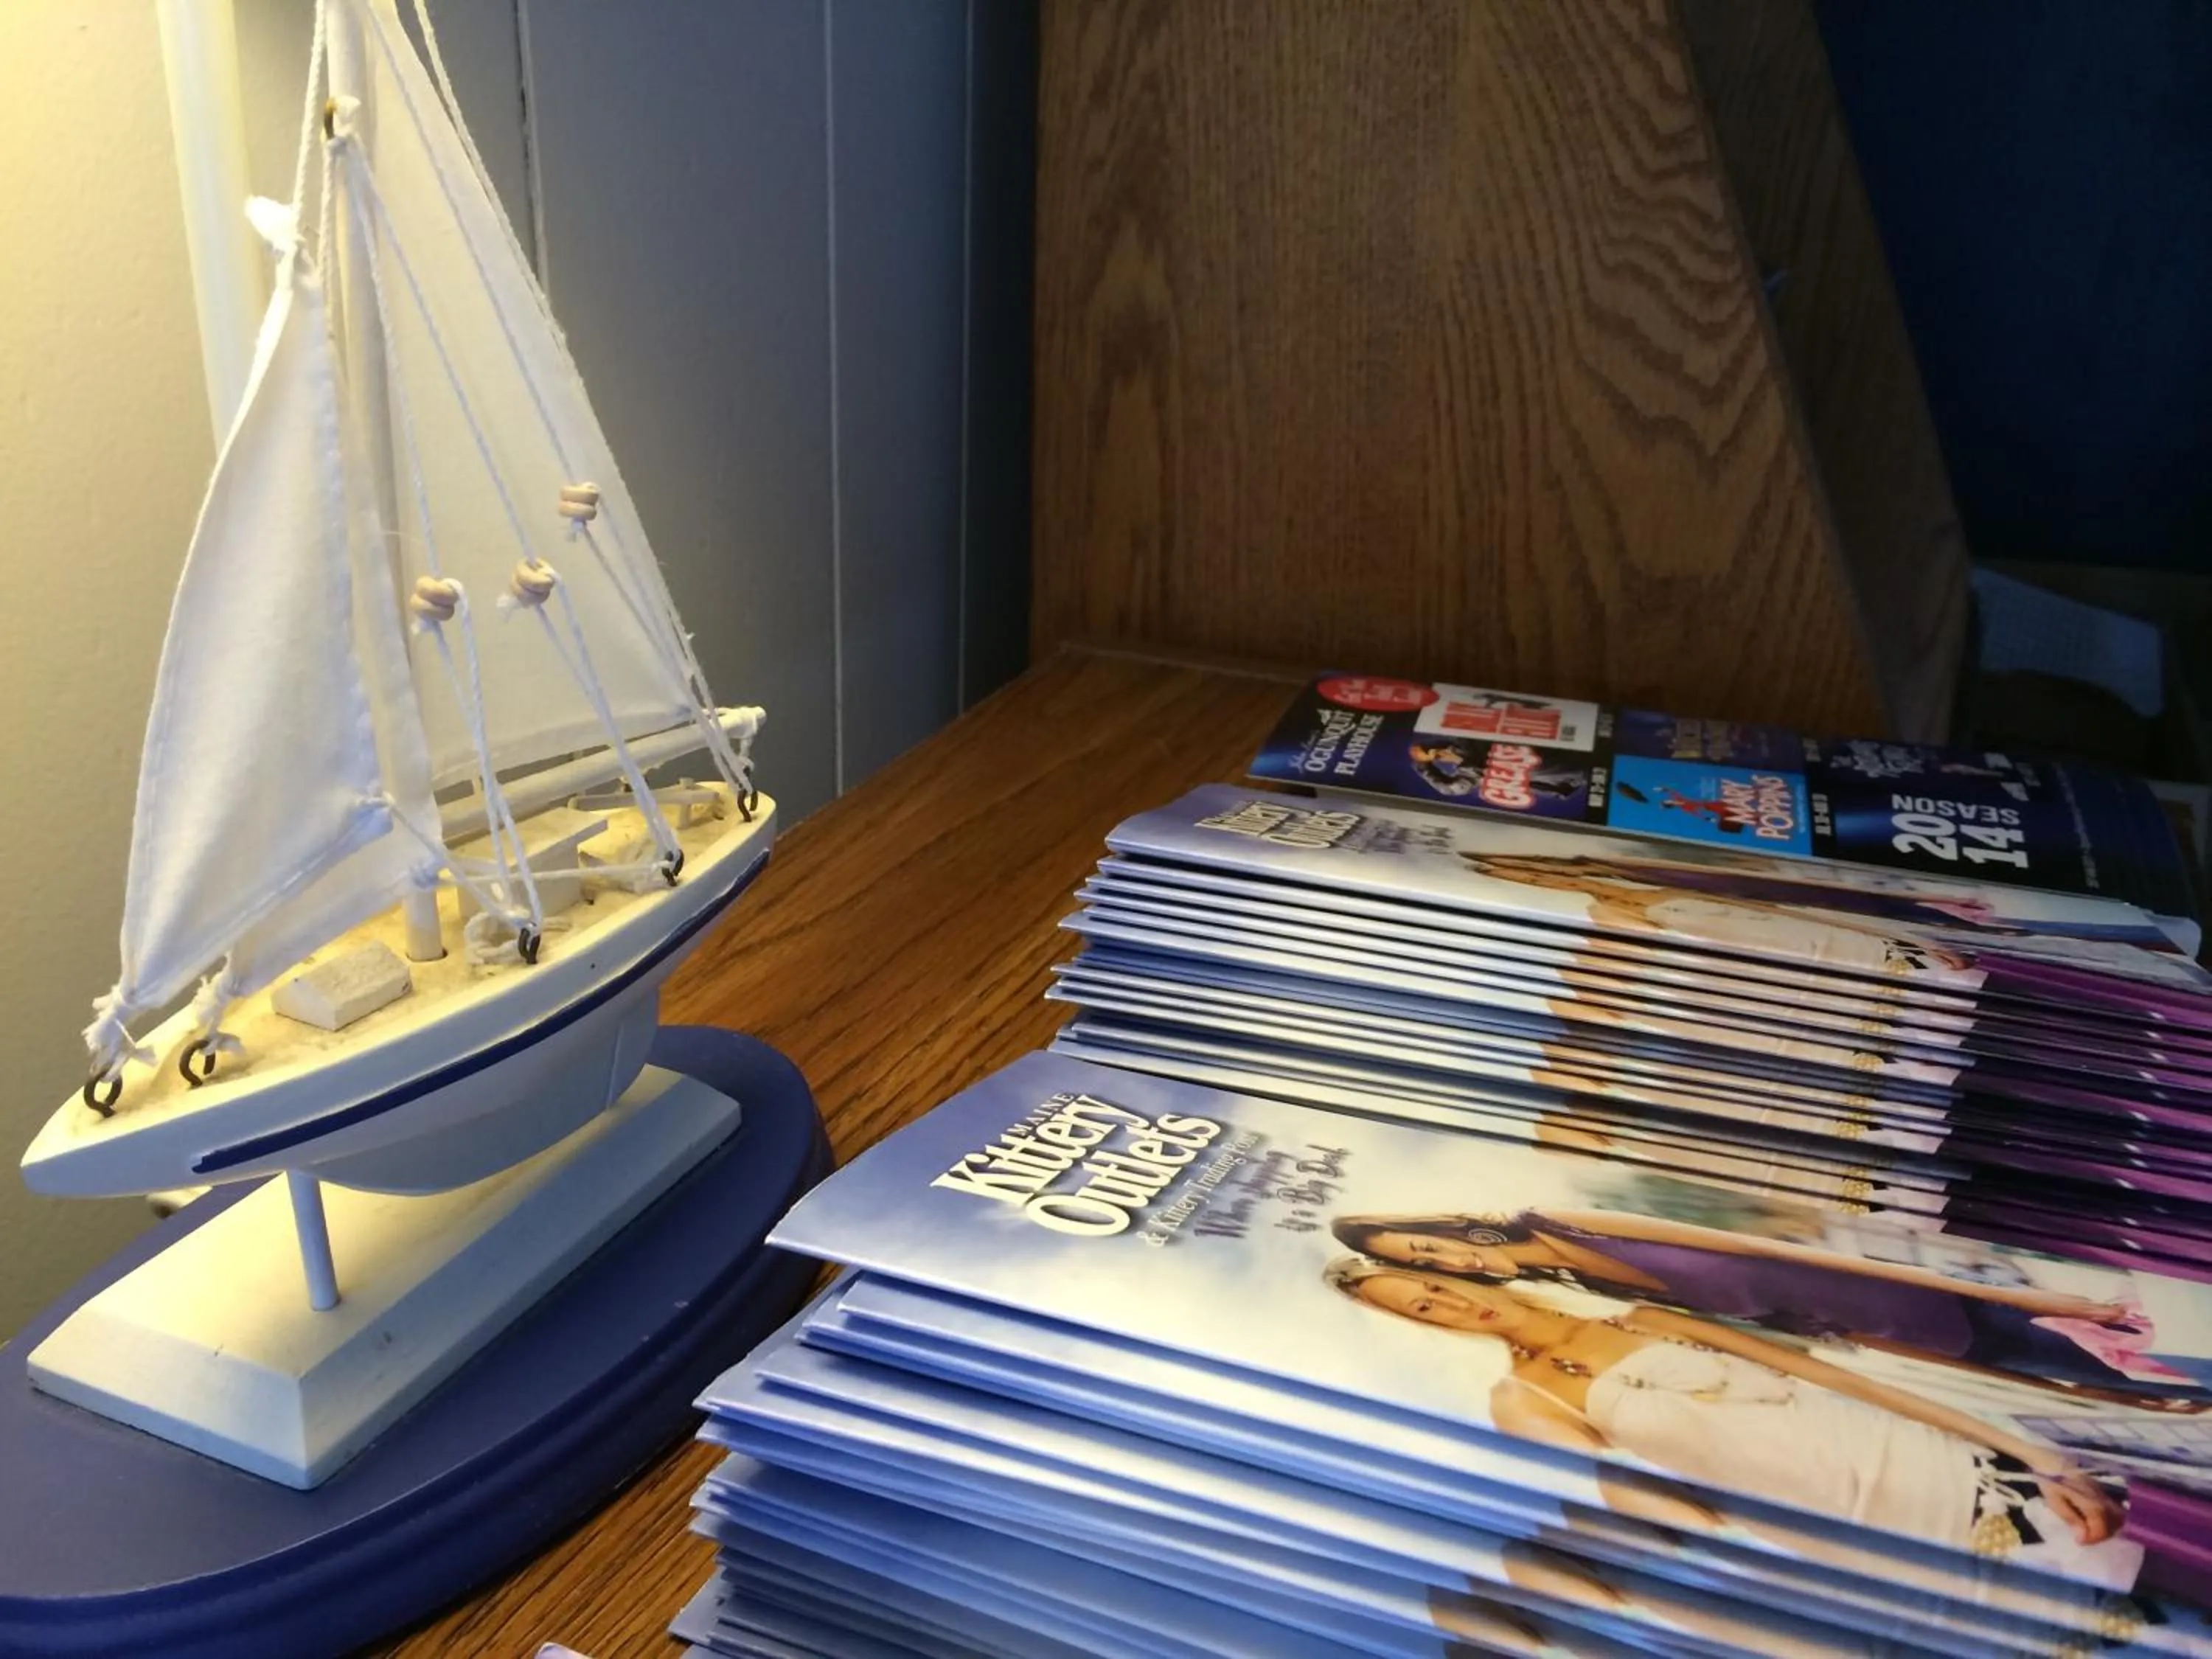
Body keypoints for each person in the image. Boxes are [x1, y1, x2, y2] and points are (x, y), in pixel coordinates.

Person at [1324, 1259, 2126, 1562]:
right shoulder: (1522, 1399)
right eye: (1421, 1310)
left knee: (2131, 1542)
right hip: (1866, 1536)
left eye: (1434, 1284)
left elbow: (1849, 1383)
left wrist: (2038, 1457)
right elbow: (1661, 1519)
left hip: (1934, 1457)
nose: (1444, 1304)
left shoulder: (1636, 1317)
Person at [1331, 1209, 2202, 1406]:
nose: (1444, 1261)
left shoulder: (1570, 1222)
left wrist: (2036, 1292)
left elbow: (1791, 1254)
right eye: (1422, 1269)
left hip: (1939, 1287)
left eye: (1425, 1246)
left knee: (2164, 1331)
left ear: (1441, 1224)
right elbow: (1792, 1326)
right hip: (1919, 1336)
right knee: (2128, 1388)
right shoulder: (1588, 1294)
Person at [1459, 853, 1972, 975]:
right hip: (1834, 961)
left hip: (1869, 944)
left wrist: (1921, 946)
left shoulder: (1656, 882)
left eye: (1536, 874)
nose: (1543, 882)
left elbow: (1809, 908)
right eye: (1532, 881)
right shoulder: (1616, 919)